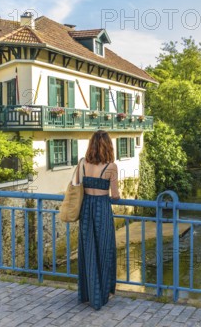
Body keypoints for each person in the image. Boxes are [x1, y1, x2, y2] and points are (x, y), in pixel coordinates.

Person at [78, 130, 121, 310]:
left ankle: (87, 295)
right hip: (102, 209)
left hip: (86, 208)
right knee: (104, 250)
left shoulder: (82, 163)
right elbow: (116, 195)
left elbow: (77, 186)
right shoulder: (111, 166)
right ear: (108, 146)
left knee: (88, 250)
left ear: (91, 145)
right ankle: (102, 294)